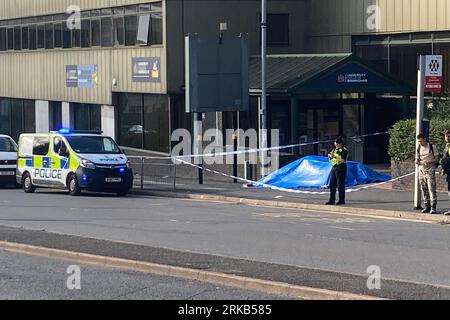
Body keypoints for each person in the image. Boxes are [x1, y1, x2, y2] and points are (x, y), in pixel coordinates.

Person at [416, 133, 439, 214]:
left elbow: (437, 159)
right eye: (419, 141)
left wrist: (429, 161)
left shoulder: (432, 147)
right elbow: (417, 158)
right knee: (423, 189)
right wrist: (417, 161)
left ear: (425, 139)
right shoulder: (419, 147)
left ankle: (433, 207)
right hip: (421, 170)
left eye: (421, 141)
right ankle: (427, 206)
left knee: (431, 189)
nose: (420, 143)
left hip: (430, 170)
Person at [326, 137, 348, 205]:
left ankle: (341, 200)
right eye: (335, 144)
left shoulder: (343, 150)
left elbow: (343, 160)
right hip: (334, 167)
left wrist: (334, 156)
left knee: (340, 184)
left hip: (341, 167)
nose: (336, 145)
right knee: (332, 184)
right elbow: (330, 156)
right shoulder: (334, 149)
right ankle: (332, 200)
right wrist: (330, 156)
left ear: (340, 144)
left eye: (337, 144)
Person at [440, 130, 450, 215]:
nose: (447, 138)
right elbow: (445, 157)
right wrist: (443, 168)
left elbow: (447, 159)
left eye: (449, 136)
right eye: (446, 136)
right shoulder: (447, 145)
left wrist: (444, 166)